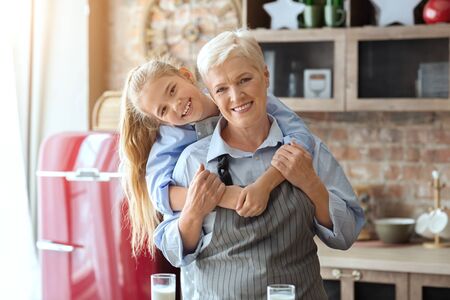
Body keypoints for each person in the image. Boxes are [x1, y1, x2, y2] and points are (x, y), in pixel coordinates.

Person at [154, 29, 365, 299]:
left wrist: (311, 183)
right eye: (221, 89)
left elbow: (346, 235)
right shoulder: (194, 161)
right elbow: (174, 255)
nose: (236, 96)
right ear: (212, 94)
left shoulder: (306, 150)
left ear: (265, 77)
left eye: (244, 80)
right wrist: (193, 212)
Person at [118, 56, 316, 257]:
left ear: (187, 76)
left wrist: (264, 185)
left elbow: (302, 139)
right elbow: (159, 195)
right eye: (163, 110)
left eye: (172, 90)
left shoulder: (242, 98)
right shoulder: (172, 138)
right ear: (161, 121)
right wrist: (222, 196)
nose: (175, 105)